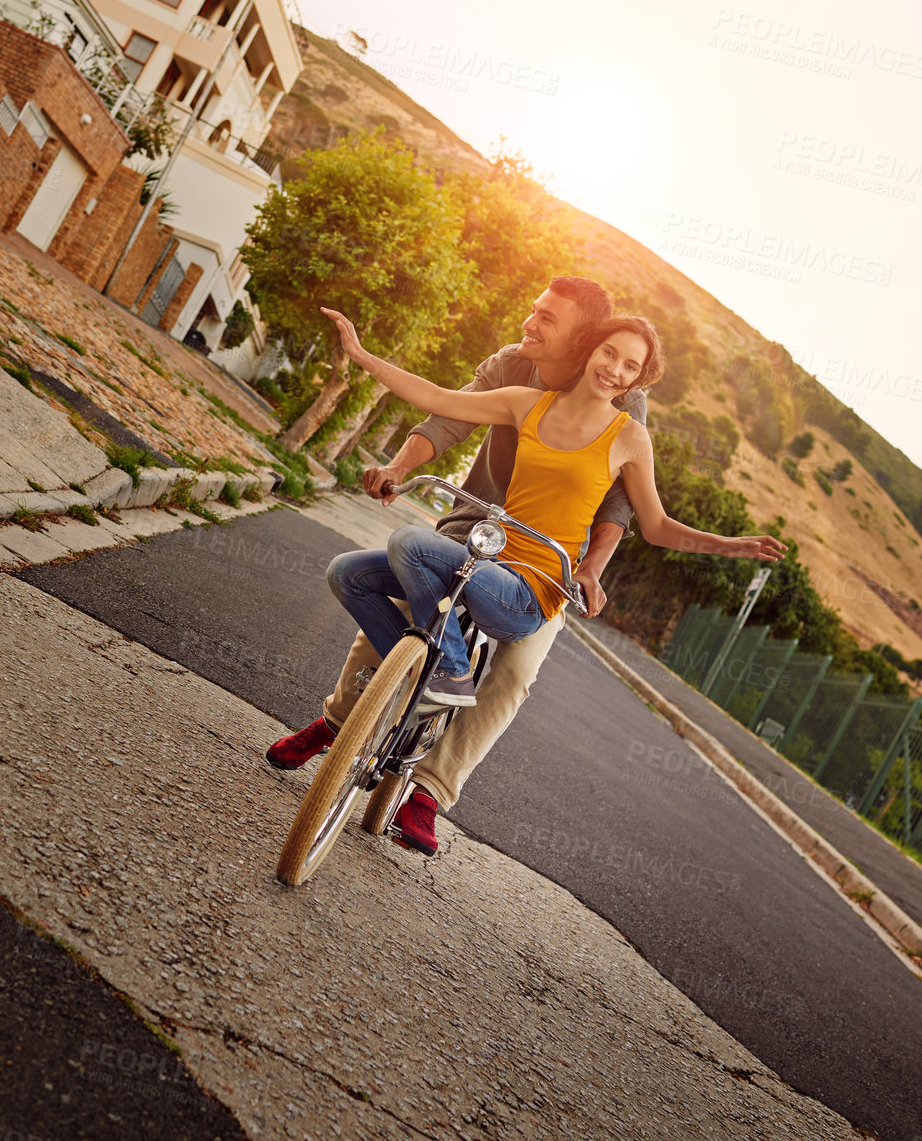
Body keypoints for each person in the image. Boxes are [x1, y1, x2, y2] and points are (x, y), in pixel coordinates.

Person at [297, 306, 785, 855]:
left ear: (638, 379)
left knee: (414, 549)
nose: (615, 371)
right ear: (589, 350)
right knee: (349, 573)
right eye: (609, 353)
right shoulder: (527, 400)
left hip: (532, 585)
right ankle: (409, 681)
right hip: (480, 551)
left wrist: (729, 546)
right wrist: (362, 357)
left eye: (630, 366)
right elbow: (439, 401)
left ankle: (438, 736)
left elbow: (655, 524)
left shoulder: (630, 435)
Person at [266, 276, 636, 853]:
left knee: (515, 674)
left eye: (545, 318)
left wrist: (591, 567)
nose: (528, 323)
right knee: (397, 606)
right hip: (477, 530)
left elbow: (619, 501)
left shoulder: (620, 397)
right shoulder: (511, 366)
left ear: (584, 339)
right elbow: (445, 419)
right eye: (532, 310)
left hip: (544, 563)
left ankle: (430, 792)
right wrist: (398, 464)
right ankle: (341, 726)